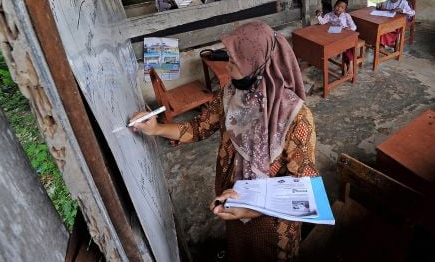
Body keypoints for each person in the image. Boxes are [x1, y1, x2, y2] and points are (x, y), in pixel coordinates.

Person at [130, 22, 318, 261]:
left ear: (256, 66)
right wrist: (156, 128)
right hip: (233, 197)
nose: (226, 67)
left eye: (234, 62)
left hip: (273, 219)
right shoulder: (230, 95)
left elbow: (304, 188)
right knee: (241, 251)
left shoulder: (295, 117)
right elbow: (199, 127)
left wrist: (251, 208)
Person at [315, 0, 357, 73]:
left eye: (342, 7)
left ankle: (350, 63)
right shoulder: (329, 15)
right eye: (337, 6)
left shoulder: (346, 16)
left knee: (348, 45)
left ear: (344, 10)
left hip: (345, 35)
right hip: (335, 36)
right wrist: (318, 15)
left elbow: (354, 27)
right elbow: (322, 22)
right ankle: (347, 62)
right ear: (334, 6)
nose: (339, 8)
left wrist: (349, 28)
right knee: (340, 45)